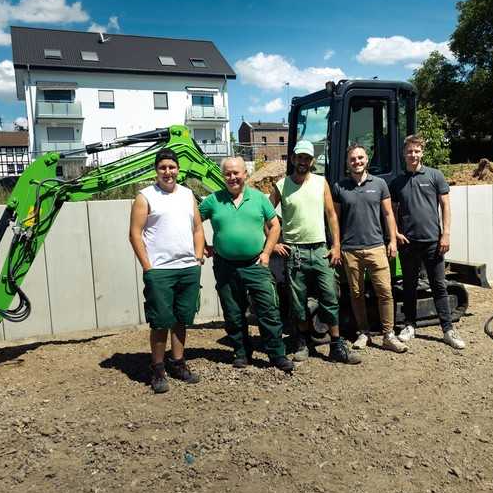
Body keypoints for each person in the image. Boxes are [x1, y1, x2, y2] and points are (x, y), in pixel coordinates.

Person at [270, 140, 362, 365]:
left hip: (321, 250)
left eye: (307, 158)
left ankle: (336, 346)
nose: (303, 162)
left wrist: (336, 246)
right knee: (298, 302)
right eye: (299, 157)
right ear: (293, 159)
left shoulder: (321, 183)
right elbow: (267, 214)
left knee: (330, 297)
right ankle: (303, 343)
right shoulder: (281, 186)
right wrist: (273, 243)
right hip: (295, 253)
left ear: (312, 161)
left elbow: (331, 215)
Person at [199, 157, 294, 373]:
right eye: (228, 174)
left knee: (268, 310)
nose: (232, 177)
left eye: (236, 173)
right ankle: (241, 353)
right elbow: (193, 221)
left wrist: (267, 252)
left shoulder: (259, 198)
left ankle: (277, 354)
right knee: (233, 313)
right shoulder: (213, 200)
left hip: (256, 265)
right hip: (226, 267)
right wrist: (203, 245)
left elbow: (275, 225)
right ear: (223, 177)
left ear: (245, 174)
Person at [129, 148, 205, 394]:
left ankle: (178, 363)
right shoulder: (145, 196)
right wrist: (148, 267)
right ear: (156, 170)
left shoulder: (187, 194)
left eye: (171, 167)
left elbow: (197, 228)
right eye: (163, 167)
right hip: (160, 270)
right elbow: (135, 234)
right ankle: (158, 367)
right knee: (161, 321)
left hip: (187, 268)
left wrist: (198, 257)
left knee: (182, 319)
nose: (168, 172)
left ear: (178, 170)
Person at [389, 135, 466, 350]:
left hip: (433, 242)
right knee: (410, 286)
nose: (413, 155)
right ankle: (409, 325)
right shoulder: (396, 182)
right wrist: (395, 233)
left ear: (422, 152)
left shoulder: (435, 176)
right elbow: (392, 211)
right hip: (408, 244)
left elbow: (445, 206)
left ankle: (448, 329)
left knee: (439, 286)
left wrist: (446, 234)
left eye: (417, 151)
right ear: (404, 154)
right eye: (409, 151)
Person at [332, 144, 407, 353]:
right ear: (348, 163)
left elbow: (388, 214)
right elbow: (335, 219)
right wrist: (337, 246)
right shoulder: (340, 187)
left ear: (367, 160)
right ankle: (363, 332)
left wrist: (392, 240)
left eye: (360, 158)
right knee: (357, 294)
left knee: (385, 292)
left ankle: (388, 335)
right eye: (353, 159)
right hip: (350, 250)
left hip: (376, 247)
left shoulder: (380, 184)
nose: (357, 161)